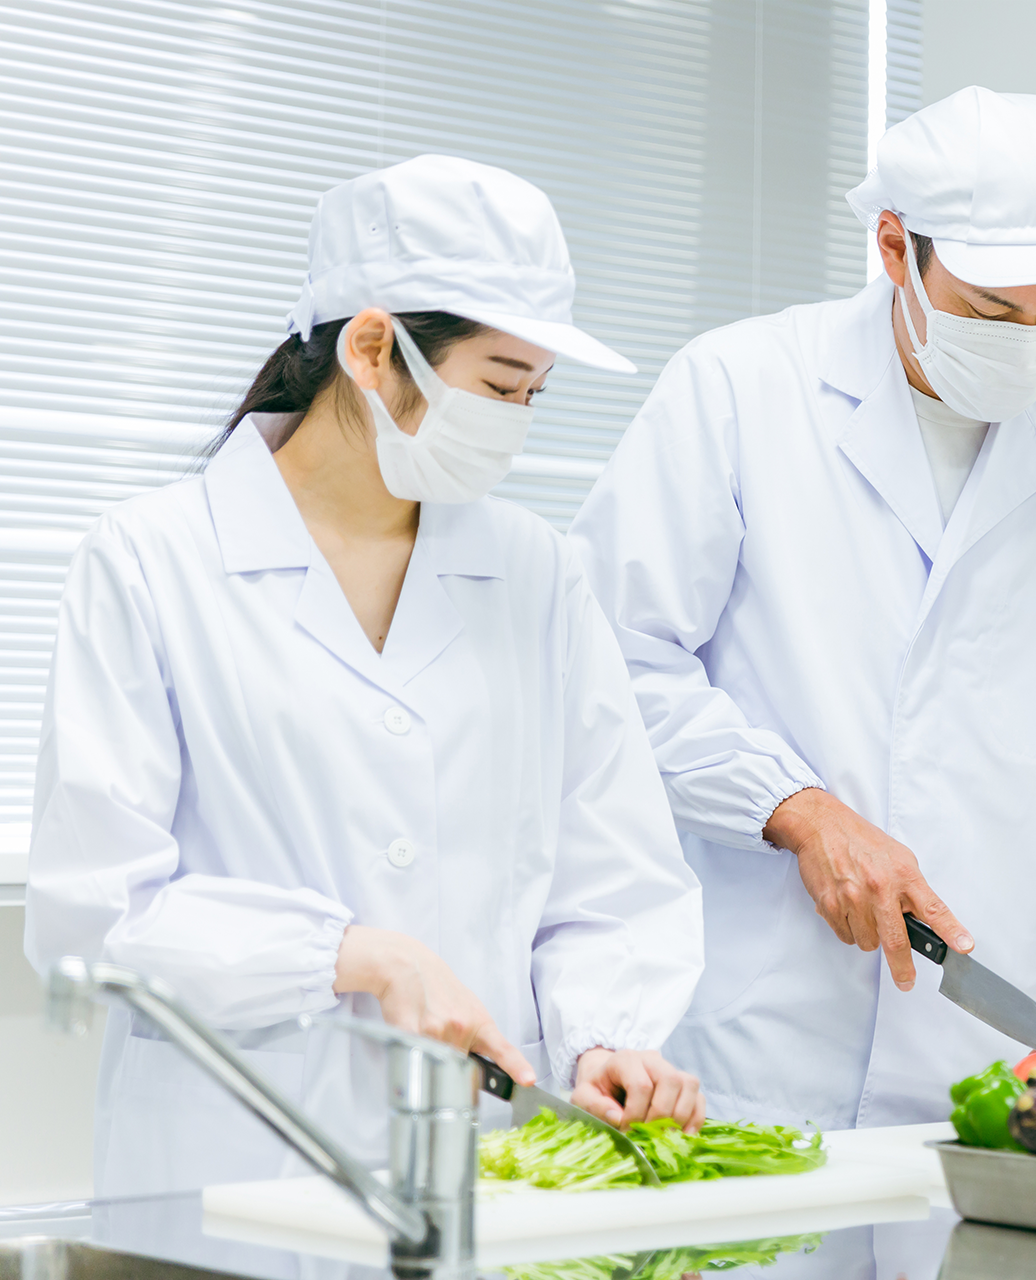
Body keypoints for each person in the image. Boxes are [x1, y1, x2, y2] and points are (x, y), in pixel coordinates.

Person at [24, 154, 706, 1196]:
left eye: (535, 391)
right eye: (497, 385)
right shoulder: (150, 559)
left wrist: (603, 1034)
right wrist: (351, 953)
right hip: (232, 1172)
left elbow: (611, 878)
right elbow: (94, 915)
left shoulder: (537, 572)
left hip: (488, 1171)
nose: (518, 423)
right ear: (373, 347)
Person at [569, 88, 1036, 1130]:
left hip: (989, 1043)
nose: (1027, 342)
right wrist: (796, 805)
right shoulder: (742, 388)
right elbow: (607, 660)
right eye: (991, 310)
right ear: (894, 247)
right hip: (757, 1028)